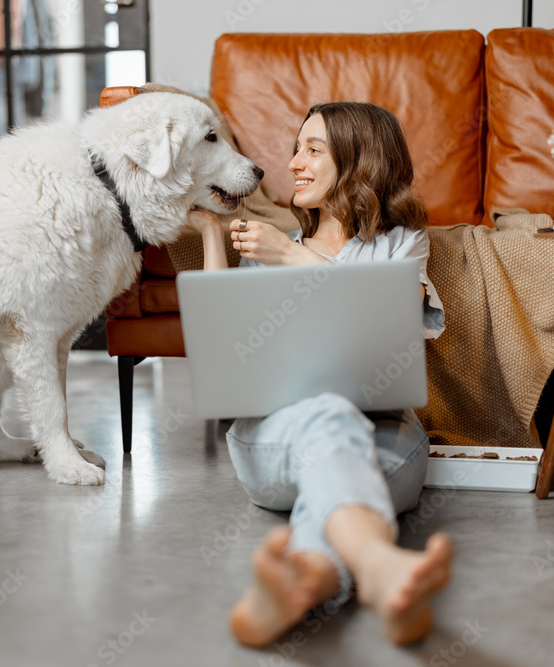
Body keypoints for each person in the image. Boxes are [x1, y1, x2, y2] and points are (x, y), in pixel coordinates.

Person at [185, 102, 453, 648]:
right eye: (295, 148)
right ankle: (380, 565)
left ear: (358, 160)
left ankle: (308, 580)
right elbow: (222, 351)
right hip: (273, 441)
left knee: (331, 480)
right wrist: (213, 234)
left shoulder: (400, 242)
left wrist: (289, 256)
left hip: (386, 437)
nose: (294, 163)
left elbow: (393, 313)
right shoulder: (270, 247)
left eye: (313, 150)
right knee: (328, 416)